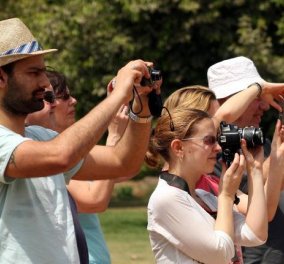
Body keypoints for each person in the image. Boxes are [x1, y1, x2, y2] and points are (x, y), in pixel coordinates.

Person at [0, 17, 159, 264]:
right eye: (34, 72)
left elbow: (122, 162)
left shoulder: (41, 137)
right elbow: (61, 155)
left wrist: (142, 107)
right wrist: (119, 95)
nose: (44, 83)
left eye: (43, 71)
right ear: (1, 78)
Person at [145, 105, 268, 264]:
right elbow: (220, 254)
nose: (218, 148)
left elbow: (255, 235)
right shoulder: (166, 199)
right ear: (178, 147)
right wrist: (226, 195)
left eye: (217, 140)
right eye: (209, 140)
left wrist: (256, 170)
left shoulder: (204, 196)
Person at [207, 56, 284, 264]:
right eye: (256, 97)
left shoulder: (258, 142)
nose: (265, 105)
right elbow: (248, 192)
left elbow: (268, 200)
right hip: (257, 255)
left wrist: (278, 153)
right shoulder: (209, 152)